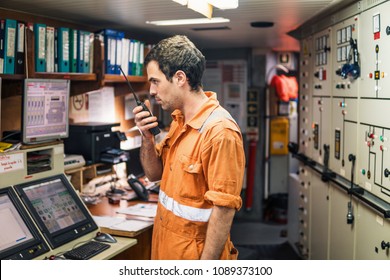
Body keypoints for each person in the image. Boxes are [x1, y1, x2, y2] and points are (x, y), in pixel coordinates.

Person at [133, 35, 245, 260]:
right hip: (166, 250)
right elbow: (155, 174)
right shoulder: (178, 122)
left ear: (180, 78)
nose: (152, 91)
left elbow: (223, 210)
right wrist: (147, 138)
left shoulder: (220, 131)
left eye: (155, 81)